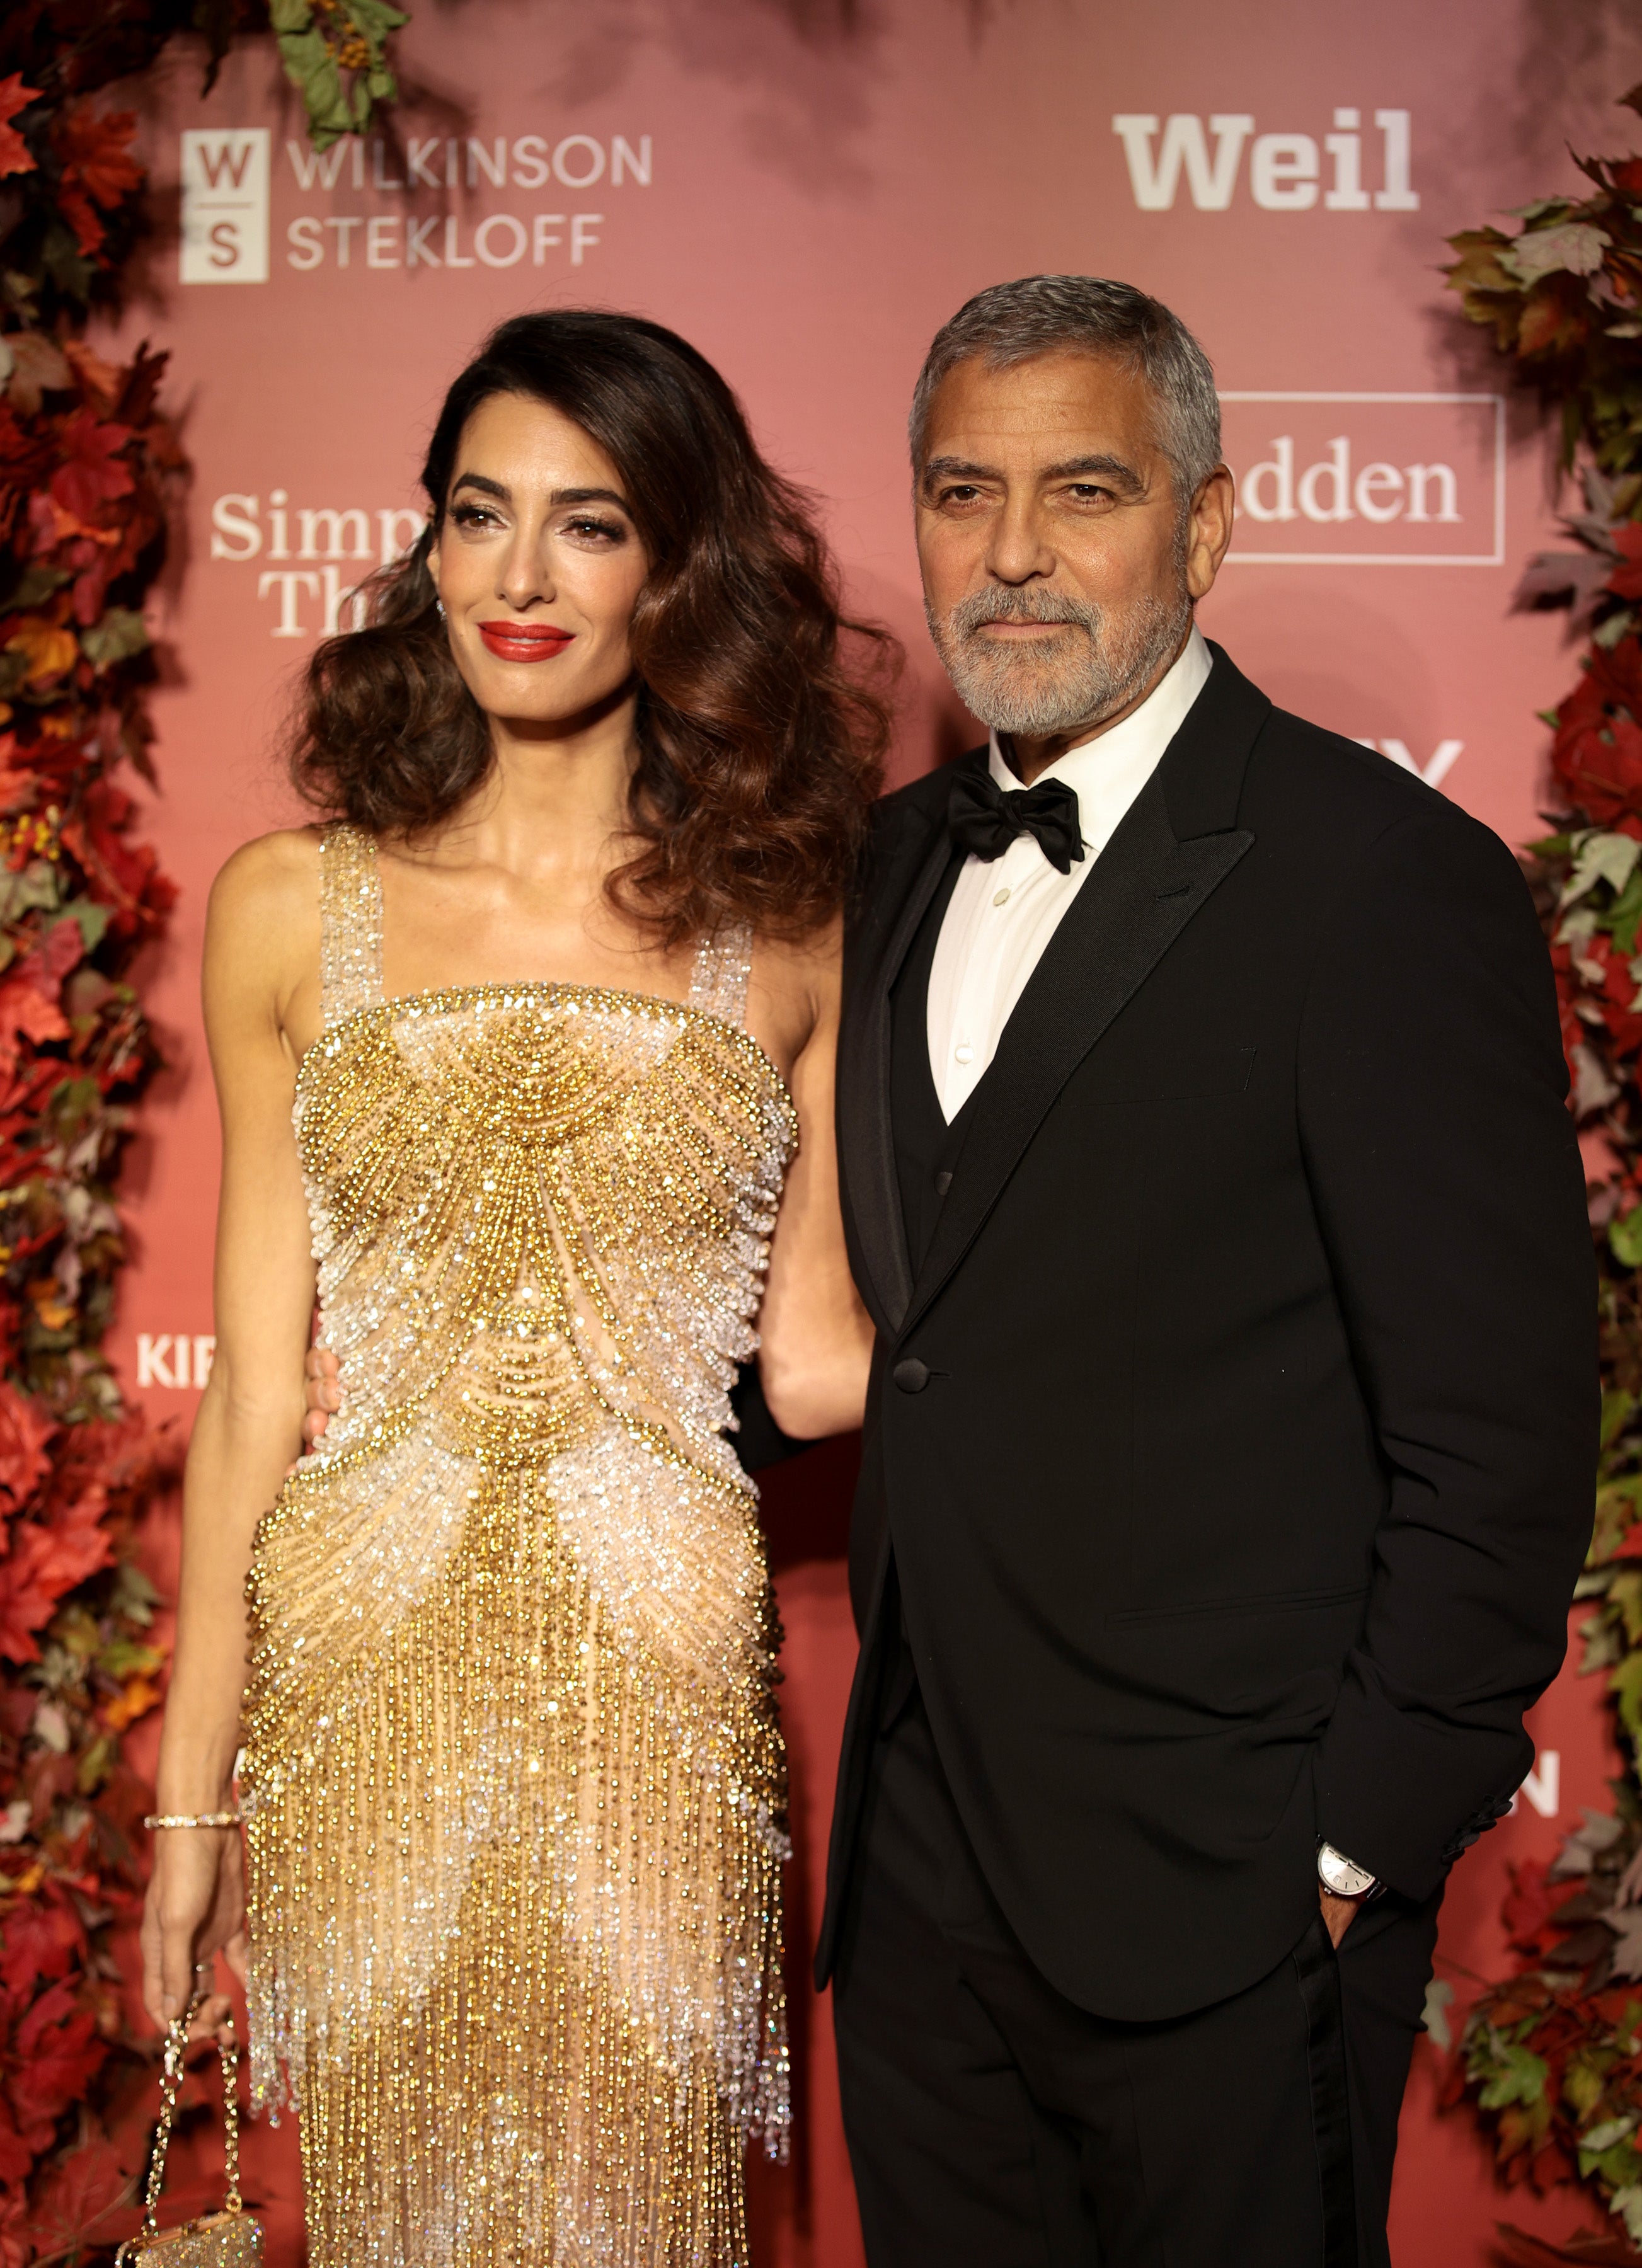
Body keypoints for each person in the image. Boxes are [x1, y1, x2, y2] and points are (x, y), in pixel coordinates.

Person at [812, 277, 1597, 2268]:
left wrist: (1344, 1852)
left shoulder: (1382, 883)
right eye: (960, 492)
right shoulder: (881, 867)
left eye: (1082, 491)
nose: (1010, 556)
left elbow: (1497, 1441)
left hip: (1228, 1904)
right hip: (920, 1906)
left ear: (1209, 525)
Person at [139, 309, 880, 2268]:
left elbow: (814, 1367)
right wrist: (189, 1800)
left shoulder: (788, 920)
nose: (522, 579)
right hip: (366, 1676)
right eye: (481, 518)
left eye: (590, 525)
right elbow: (252, 1397)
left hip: (656, 1682)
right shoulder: (292, 907)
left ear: (681, 570)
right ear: (431, 550)